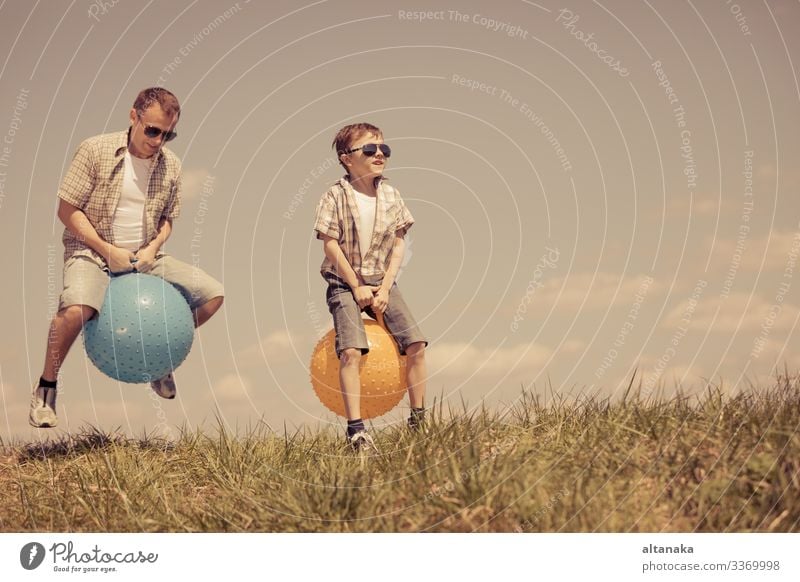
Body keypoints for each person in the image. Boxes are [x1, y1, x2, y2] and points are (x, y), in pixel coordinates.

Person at [29, 87, 224, 428]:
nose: (158, 140)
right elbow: (66, 209)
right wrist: (108, 251)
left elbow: (167, 220)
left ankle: (159, 361)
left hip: (145, 256)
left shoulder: (171, 166)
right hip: (92, 251)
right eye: (152, 130)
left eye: (167, 134)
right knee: (77, 307)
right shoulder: (95, 150)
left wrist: (150, 250)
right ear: (133, 117)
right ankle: (46, 387)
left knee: (212, 295)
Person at [313, 123, 428, 450]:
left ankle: (418, 422)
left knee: (416, 344)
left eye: (383, 149)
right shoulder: (335, 195)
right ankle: (356, 430)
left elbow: (400, 242)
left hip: (382, 281)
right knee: (351, 350)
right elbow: (330, 245)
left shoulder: (391, 194)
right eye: (369, 149)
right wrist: (357, 285)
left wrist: (385, 287)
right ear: (347, 158)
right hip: (344, 282)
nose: (379, 154)